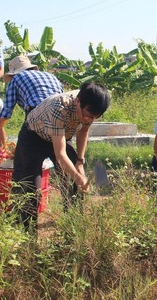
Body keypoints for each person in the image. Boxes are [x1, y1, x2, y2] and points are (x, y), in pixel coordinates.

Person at [11, 82, 111, 229]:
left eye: (95, 117)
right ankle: (27, 235)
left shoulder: (91, 105)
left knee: (72, 182)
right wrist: (79, 178)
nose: (89, 120)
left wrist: (80, 162)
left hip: (61, 136)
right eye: (88, 115)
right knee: (30, 187)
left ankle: (72, 227)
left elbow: (83, 131)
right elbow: (60, 155)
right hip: (33, 137)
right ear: (78, 102)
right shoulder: (60, 108)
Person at [0, 53, 63, 148]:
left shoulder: (16, 78)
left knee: (24, 155)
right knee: (60, 152)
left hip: (37, 113)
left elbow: (6, 114)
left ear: (13, 73)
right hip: (60, 114)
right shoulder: (51, 76)